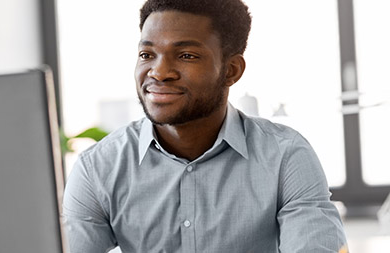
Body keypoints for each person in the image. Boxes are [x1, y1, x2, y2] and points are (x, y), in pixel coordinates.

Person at [62, 0, 348, 252]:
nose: (159, 72)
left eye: (186, 55)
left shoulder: (286, 157)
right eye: (147, 55)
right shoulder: (98, 167)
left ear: (232, 70)